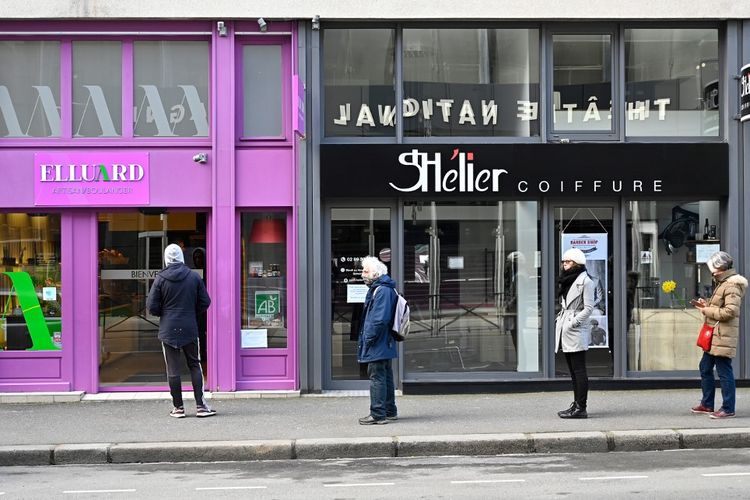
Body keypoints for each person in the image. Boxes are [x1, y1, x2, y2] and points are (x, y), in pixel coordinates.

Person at [147, 243, 214, 418]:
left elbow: (151, 307)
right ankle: (200, 406)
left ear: (166, 258)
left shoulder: (160, 279)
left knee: (173, 369)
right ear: (182, 257)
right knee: (194, 364)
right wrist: (191, 312)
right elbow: (205, 302)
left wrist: (165, 313)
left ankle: (178, 408)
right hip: (190, 326)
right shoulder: (193, 277)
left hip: (168, 328)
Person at [690, 251, 747, 419]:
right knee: (705, 367)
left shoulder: (731, 285)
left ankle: (728, 408)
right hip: (715, 335)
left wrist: (706, 310)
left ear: (720, 267)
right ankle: (707, 404)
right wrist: (706, 304)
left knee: (724, 371)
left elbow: (730, 312)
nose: (711, 271)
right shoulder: (723, 283)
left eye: (713, 267)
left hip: (723, 336)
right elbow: (721, 307)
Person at [357, 255, 399, 425]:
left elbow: (379, 319)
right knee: (385, 375)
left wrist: (368, 338)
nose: (362, 274)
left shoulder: (381, 290)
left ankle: (378, 414)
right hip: (385, 341)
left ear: (376, 274)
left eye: (366, 271)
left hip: (378, 341)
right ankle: (390, 411)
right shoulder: (384, 289)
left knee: (377, 376)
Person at [554, 248, 595, 419]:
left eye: (568, 262)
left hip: (575, 328)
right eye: (564, 261)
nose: (565, 264)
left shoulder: (586, 281)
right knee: (572, 370)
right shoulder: (566, 280)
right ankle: (576, 405)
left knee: (579, 370)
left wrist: (573, 322)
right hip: (566, 325)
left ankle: (581, 407)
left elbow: (589, 308)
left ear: (577, 263)